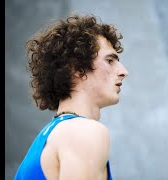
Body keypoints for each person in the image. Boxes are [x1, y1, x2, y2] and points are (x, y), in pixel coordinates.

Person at [14, 13, 129, 180]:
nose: (124, 72)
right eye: (110, 60)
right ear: (75, 68)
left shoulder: (52, 136)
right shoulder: (83, 132)